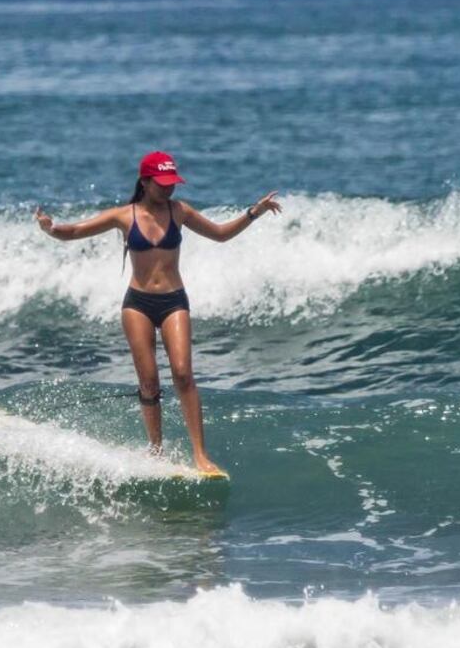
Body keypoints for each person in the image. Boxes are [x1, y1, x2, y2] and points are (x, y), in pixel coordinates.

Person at [35, 151, 280, 473]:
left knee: (183, 373)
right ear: (145, 182)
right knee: (149, 383)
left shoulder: (180, 212)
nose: (169, 189)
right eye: (162, 183)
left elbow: (220, 235)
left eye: (172, 183)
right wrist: (50, 228)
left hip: (173, 301)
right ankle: (155, 451)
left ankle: (200, 455)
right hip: (137, 304)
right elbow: (75, 232)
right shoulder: (124, 216)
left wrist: (254, 212)